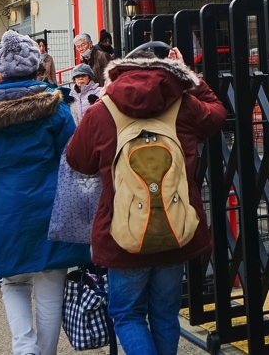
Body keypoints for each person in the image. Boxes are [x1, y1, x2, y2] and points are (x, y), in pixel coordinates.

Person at [66, 41, 226, 355]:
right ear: (169, 70)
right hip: (173, 226)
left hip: (122, 231)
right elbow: (218, 114)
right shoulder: (183, 105)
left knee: (127, 314)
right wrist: (192, 78)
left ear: (123, 69)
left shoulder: (103, 110)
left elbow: (77, 159)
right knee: (165, 313)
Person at [0, 30, 89, 355]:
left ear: (0, 69)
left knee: (13, 281)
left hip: (3, 213)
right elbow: (75, 163)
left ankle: (24, 347)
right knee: (50, 282)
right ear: (36, 67)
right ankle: (45, 352)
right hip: (51, 210)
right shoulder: (56, 108)